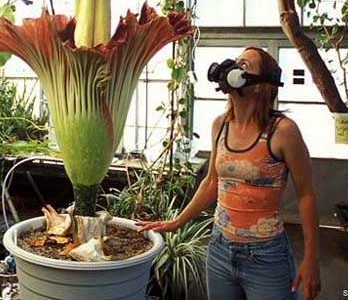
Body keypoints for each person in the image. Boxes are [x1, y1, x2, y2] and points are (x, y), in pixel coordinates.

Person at [136, 47, 321, 300]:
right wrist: (177, 222)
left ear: (259, 85)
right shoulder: (220, 125)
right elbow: (212, 182)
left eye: (243, 65)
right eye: (235, 62)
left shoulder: (283, 131)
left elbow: (306, 195)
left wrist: (311, 259)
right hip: (220, 249)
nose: (231, 67)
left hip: (265, 256)